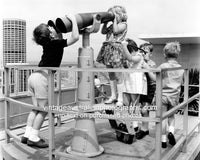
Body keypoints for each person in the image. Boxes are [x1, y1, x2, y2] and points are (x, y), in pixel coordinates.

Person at [21, 14, 79, 148]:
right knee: (43, 110)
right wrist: (74, 20)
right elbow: (75, 37)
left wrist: (54, 31)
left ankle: (27, 134)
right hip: (42, 79)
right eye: (50, 28)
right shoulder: (56, 44)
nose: (52, 28)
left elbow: (57, 37)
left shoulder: (48, 44)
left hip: (34, 76)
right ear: (51, 36)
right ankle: (34, 137)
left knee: (35, 109)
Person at [143, 41, 184, 148]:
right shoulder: (180, 68)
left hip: (163, 97)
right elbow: (182, 82)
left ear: (165, 54)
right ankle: (171, 132)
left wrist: (147, 69)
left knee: (162, 118)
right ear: (177, 54)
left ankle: (164, 140)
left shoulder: (163, 66)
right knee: (171, 117)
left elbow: (155, 79)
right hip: (174, 96)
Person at [96, 5, 128, 107]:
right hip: (108, 49)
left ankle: (120, 98)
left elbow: (116, 31)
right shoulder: (112, 25)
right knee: (111, 74)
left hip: (116, 50)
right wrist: (105, 21)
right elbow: (103, 31)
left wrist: (114, 20)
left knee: (118, 75)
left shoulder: (123, 24)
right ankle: (113, 96)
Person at [121, 38, 147, 132]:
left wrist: (124, 46)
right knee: (126, 104)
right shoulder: (128, 55)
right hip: (128, 81)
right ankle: (126, 123)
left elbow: (131, 59)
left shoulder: (139, 55)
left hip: (136, 83)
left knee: (134, 105)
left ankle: (135, 125)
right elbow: (126, 63)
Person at [136, 42, 156, 139]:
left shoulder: (152, 64)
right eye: (141, 52)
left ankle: (144, 129)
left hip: (150, 88)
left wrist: (146, 64)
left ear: (150, 53)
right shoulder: (139, 62)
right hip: (141, 87)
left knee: (145, 109)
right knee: (142, 109)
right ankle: (144, 128)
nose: (143, 54)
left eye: (146, 52)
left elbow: (153, 78)